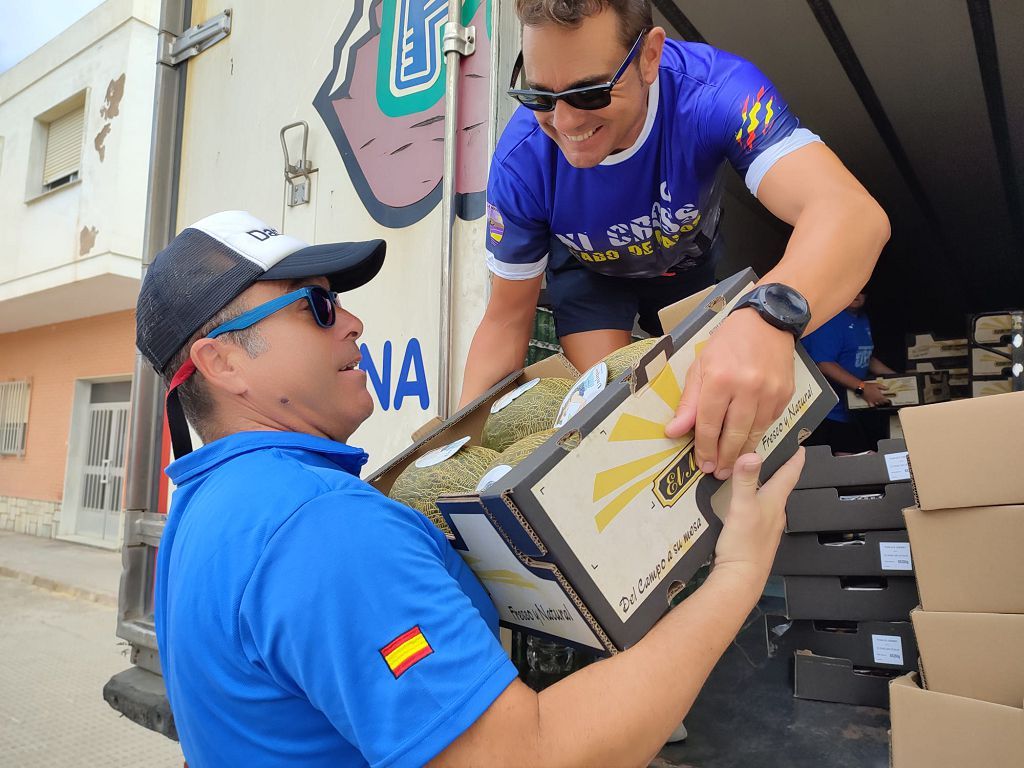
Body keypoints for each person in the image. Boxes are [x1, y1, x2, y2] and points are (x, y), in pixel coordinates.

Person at [137, 210, 806, 767]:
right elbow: (525, 757)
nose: (351, 322)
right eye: (316, 305)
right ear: (220, 361)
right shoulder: (321, 527)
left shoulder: (204, 508)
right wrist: (739, 572)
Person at [460, 0, 889, 482]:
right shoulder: (521, 161)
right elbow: (504, 322)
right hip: (590, 275)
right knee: (622, 416)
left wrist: (770, 318)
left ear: (649, 58)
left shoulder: (719, 91)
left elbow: (853, 213)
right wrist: (456, 459)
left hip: (687, 262)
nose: (564, 123)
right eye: (539, 96)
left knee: (701, 408)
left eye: (590, 92)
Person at [802, 292, 897, 454]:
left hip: (847, 411)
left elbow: (866, 357)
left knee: (858, 460)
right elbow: (824, 363)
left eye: (863, 290)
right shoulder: (829, 320)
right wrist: (861, 387)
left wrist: (902, 380)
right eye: (854, 289)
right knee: (832, 467)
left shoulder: (862, 319)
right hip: (822, 414)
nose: (858, 294)